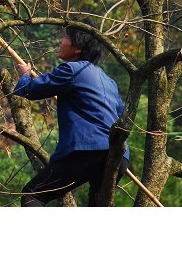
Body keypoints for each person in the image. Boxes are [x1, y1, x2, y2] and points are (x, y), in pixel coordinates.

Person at [13, 21, 129, 206]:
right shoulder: (109, 81)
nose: (60, 41)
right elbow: (120, 114)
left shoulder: (72, 70)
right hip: (118, 155)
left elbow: (31, 89)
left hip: (87, 151)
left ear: (78, 47)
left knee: (33, 194)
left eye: (65, 37)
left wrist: (25, 75)